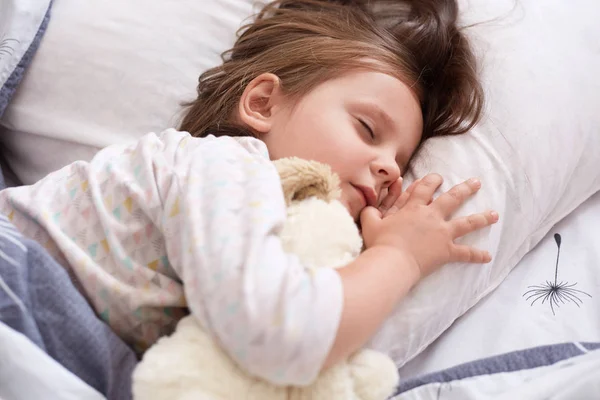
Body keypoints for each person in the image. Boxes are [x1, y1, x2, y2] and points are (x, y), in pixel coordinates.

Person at [0, 0, 497, 387]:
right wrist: (401, 257)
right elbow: (282, 332)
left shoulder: (281, 233)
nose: (389, 167)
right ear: (262, 103)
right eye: (368, 129)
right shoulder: (226, 166)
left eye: (402, 162)